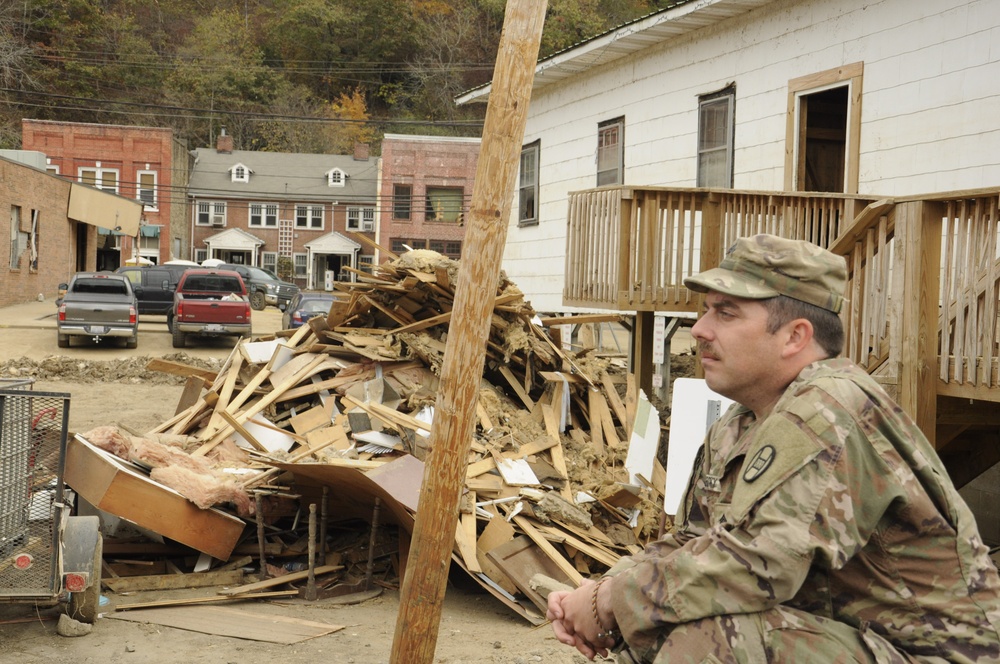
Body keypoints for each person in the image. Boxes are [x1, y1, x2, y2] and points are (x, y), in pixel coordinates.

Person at [547, 234, 1000, 663]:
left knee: (709, 638)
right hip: (848, 635)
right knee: (666, 611)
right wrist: (600, 592)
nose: (699, 329)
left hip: (934, 654)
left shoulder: (828, 410)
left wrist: (610, 602)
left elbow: (758, 565)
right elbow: (693, 542)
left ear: (795, 337)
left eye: (725, 313)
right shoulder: (742, 421)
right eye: (706, 310)